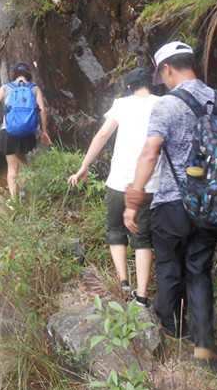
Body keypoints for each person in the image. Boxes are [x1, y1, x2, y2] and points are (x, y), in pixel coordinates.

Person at [123, 41, 217, 361]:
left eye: (161, 74)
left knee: (169, 268)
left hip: (173, 201)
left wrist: (133, 199)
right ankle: (204, 343)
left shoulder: (166, 105)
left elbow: (150, 153)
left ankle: (171, 333)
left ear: (166, 69)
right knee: (198, 269)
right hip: (214, 204)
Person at [68, 68, 160, 306]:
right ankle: (141, 296)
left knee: (115, 229)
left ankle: (123, 281)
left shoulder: (122, 105)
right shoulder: (163, 104)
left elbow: (102, 135)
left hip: (120, 181)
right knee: (142, 239)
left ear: (129, 87)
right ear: (150, 84)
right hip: (149, 184)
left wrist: (84, 166)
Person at [0, 61, 52, 198]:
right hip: (28, 132)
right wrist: (44, 131)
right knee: (23, 160)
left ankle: (14, 200)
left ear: (14, 74)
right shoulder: (34, 88)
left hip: (8, 131)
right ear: (28, 75)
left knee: (11, 168)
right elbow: (42, 111)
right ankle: (24, 193)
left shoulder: (6, 87)